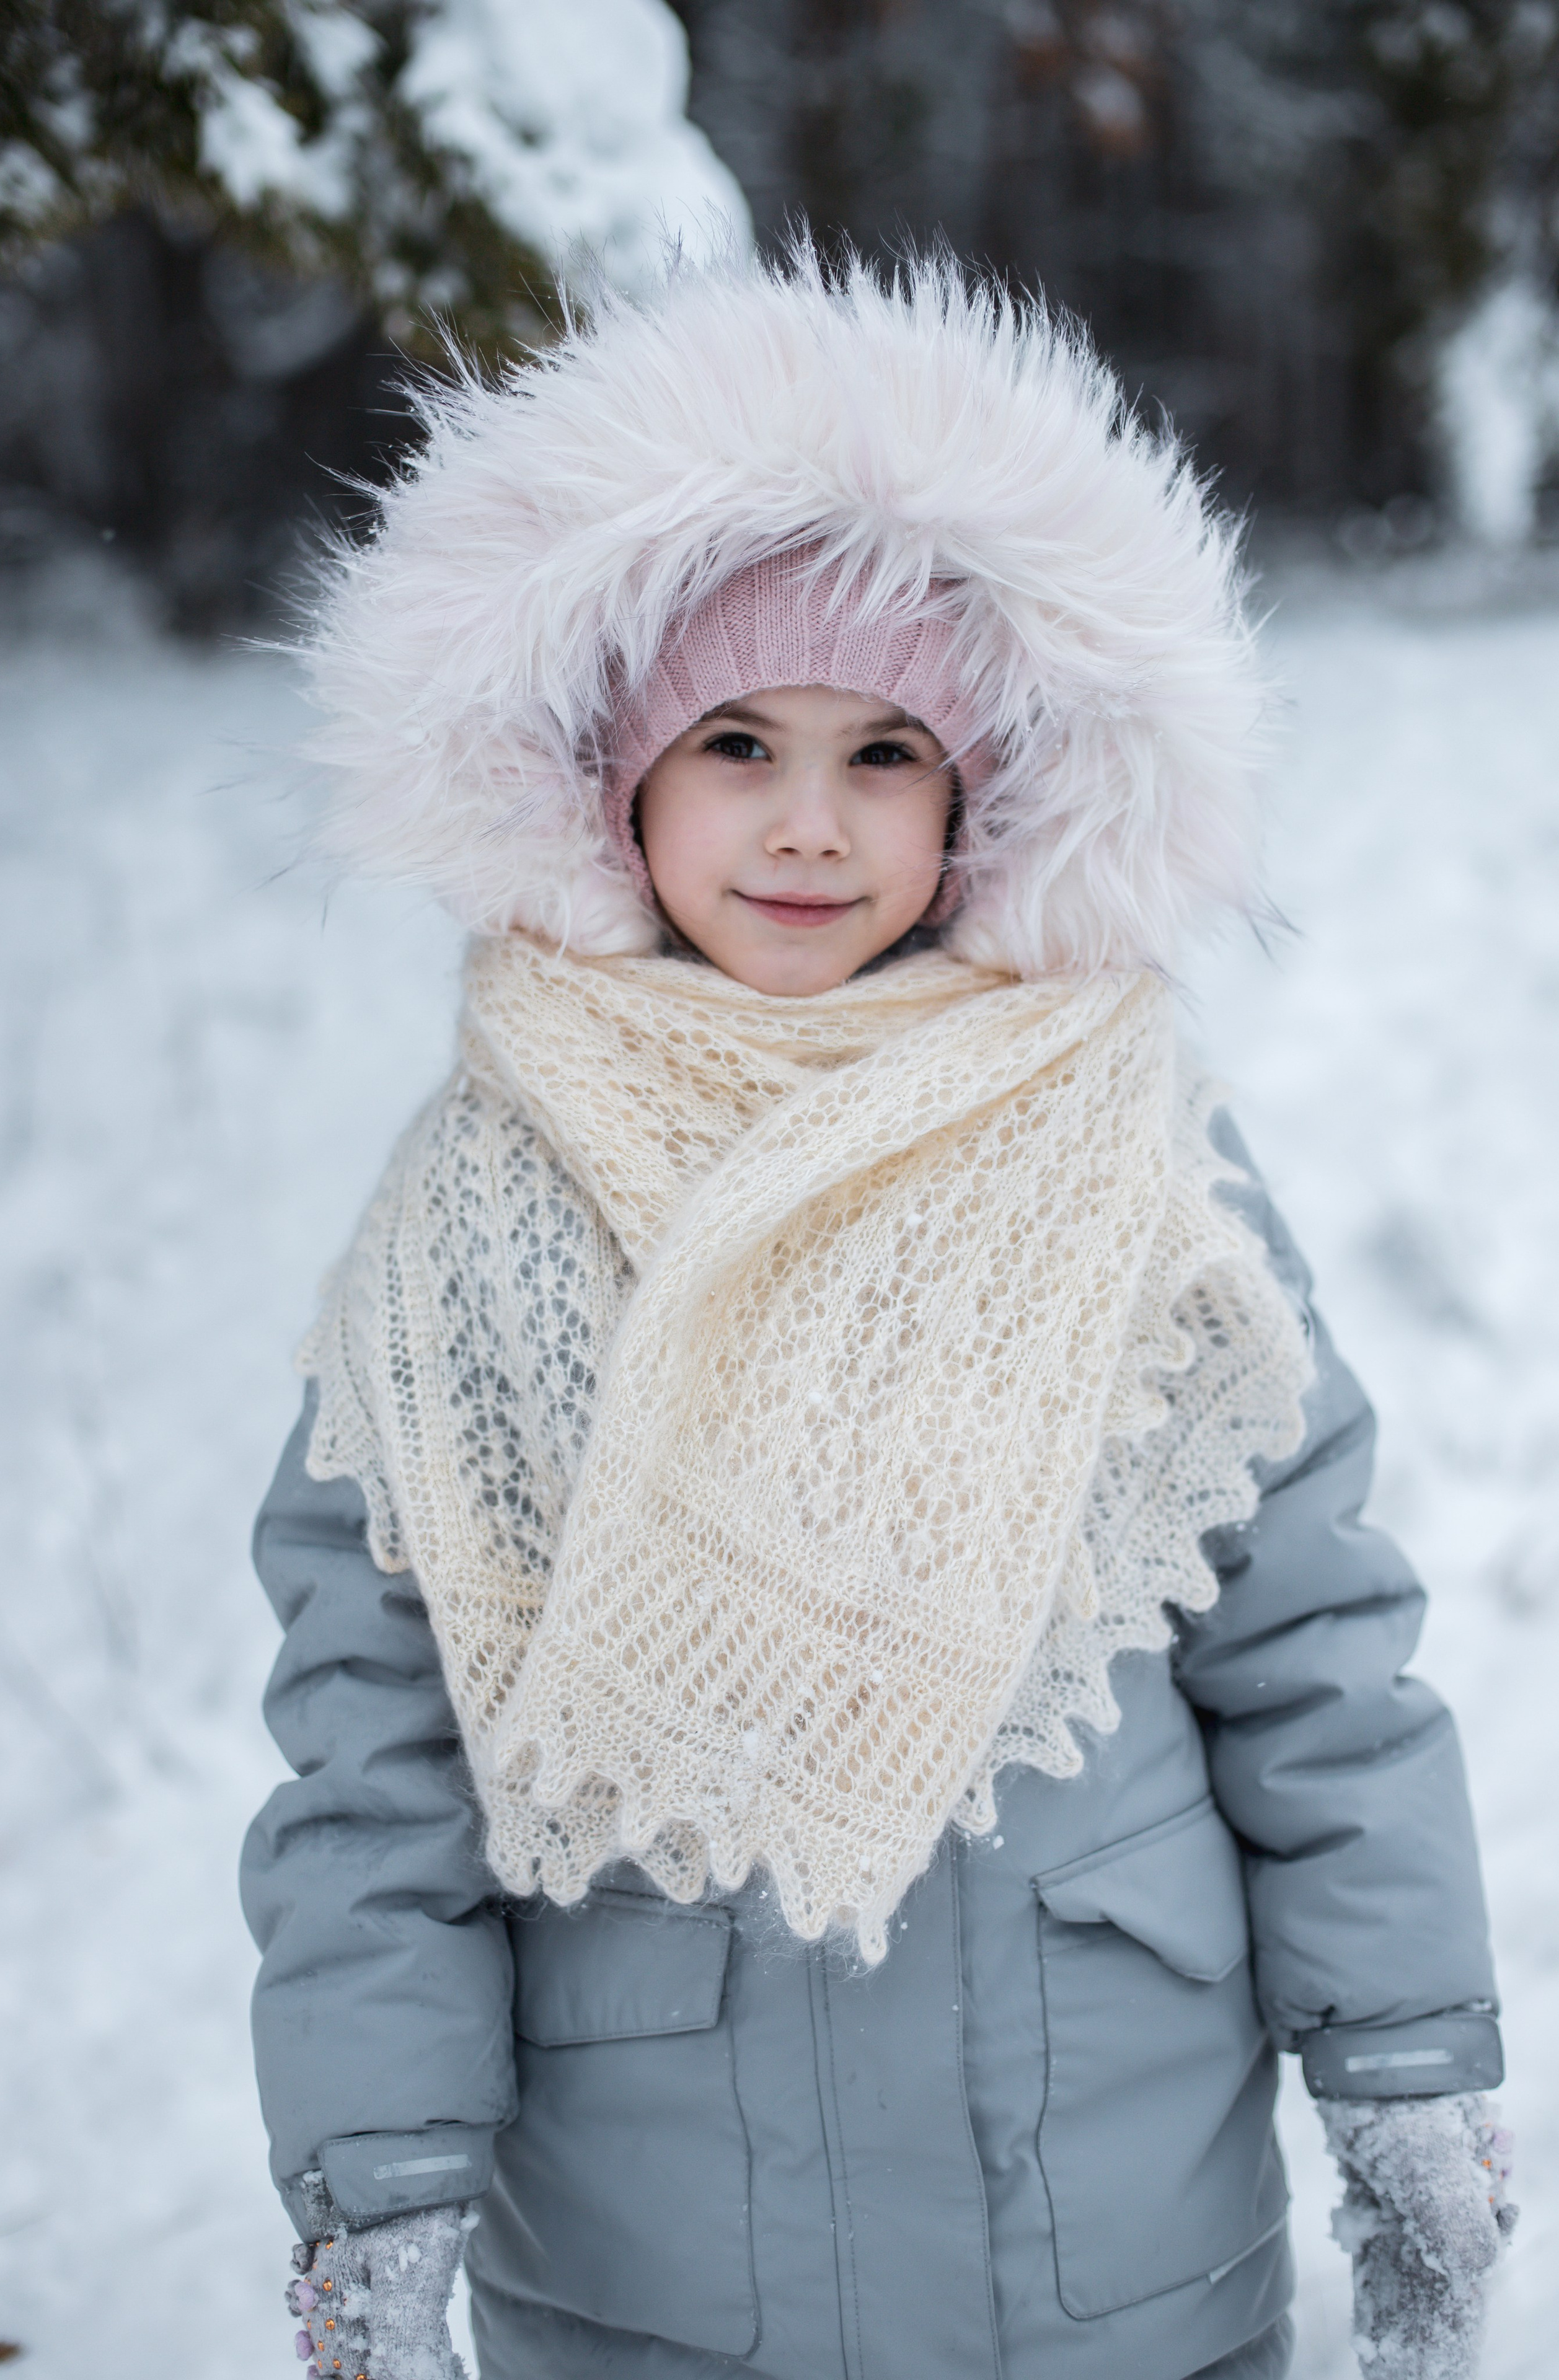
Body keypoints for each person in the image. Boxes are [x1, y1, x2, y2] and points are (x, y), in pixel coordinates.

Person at [242, 250, 1514, 2380]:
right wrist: (378, 2168)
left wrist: (1403, 2059)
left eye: (885, 753)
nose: (811, 824)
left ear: (972, 796)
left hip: (1107, 2239)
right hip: (663, 2265)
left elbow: (1317, 1658)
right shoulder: (476, 1216)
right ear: (619, 779)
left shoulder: (1126, 1162)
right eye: (737, 742)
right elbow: (379, 1754)